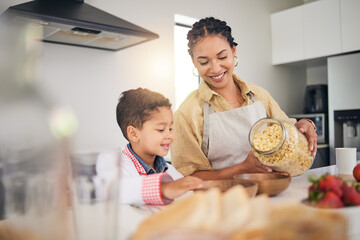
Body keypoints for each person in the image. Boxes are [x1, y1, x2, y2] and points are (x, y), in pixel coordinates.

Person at [171, 17, 317, 180]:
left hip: (271, 193)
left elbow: (288, 134)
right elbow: (187, 178)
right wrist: (241, 168)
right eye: (204, 62)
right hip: (222, 201)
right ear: (194, 62)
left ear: (233, 51)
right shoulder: (186, 114)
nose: (215, 68)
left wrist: (304, 124)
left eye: (222, 57)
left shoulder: (259, 95)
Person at [98, 88, 203, 205]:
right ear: (133, 134)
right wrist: (164, 188)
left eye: (171, 129)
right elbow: (113, 189)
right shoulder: (112, 161)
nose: (170, 135)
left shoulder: (170, 170)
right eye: (161, 129)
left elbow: (185, 198)